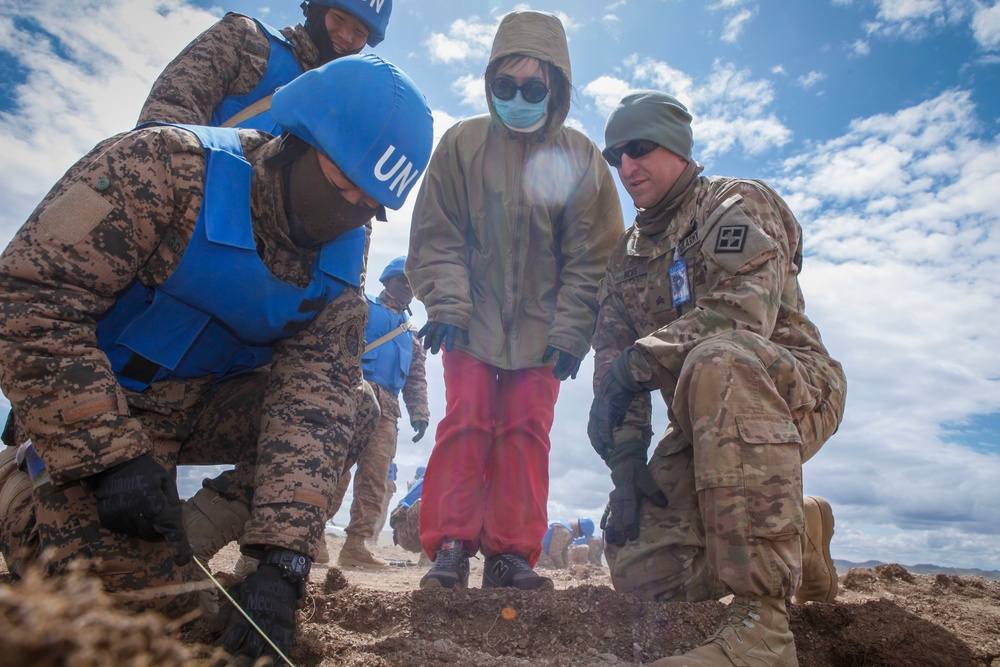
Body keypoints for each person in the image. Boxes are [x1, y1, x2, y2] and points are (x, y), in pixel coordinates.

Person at [0, 54, 432, 664]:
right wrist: (108, 455)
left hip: (201, 406)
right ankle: (21, 481)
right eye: (338, 187)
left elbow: (313, 404)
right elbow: (29, 298)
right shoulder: (161, 168)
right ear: (294, 141)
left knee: (353, 406)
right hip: (101, 406)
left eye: (368, 205)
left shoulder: (341, 263)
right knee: (117, 618)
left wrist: (281, 560)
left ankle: (184, 538)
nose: (346, 212)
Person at [588, 90, 846, 667]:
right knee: (639, 567)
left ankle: (766, 633)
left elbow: (742, 311)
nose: (627, 167)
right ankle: (795, 534)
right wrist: (627, 458)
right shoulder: (624, 260)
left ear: (676, 147)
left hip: (791, 389)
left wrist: (640, 360)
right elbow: (612, 366)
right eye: (616, 156)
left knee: (717, 358)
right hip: (705, 423)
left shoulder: (732, 202)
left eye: (639, 148)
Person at [406, 9, 623, 591]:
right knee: (466, 420)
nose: (518, 98)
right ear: (490, 84)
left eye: (533, 88)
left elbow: (593, 256)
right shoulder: (461, 144)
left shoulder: (580, 157)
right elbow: (437, 233)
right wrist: (447, 304)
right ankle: (450, 546)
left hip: (543, 333)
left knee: (527, 432)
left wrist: (574, 331)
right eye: (506, 86)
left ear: (555, 90)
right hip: (468, 322)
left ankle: (510, 556)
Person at [138, 0, 392, 132]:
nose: (346, 36)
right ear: (316, 9)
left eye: (359, 31)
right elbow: (169, 110)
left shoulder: (342, 109)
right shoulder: (245, 39)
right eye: (339, 18)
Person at [336, 256, 429, 569]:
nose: (407, 287)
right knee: (335, 467)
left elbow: (416, 379)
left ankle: (356, 544)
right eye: (403, 280)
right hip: (351, 393)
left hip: (388, 409)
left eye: (413, 283)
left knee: (375, 478)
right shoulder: (362, 306)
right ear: (387, 279)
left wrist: (420, 413)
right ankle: (310, 536)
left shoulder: (413, 335)